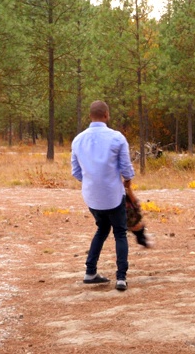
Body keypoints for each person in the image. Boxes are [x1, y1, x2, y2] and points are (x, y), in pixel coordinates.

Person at [71, 100, 136, 291]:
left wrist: (92, 181)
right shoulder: (117, 138)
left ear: (90, 116)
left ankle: (90, 272)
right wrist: (128, 182)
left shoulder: (78, 139)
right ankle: (121, 277)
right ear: (106, 115)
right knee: (120, 232)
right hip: (113, 195)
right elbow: (126, 168)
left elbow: (76, 172)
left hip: (92, 197)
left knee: (101, 229)